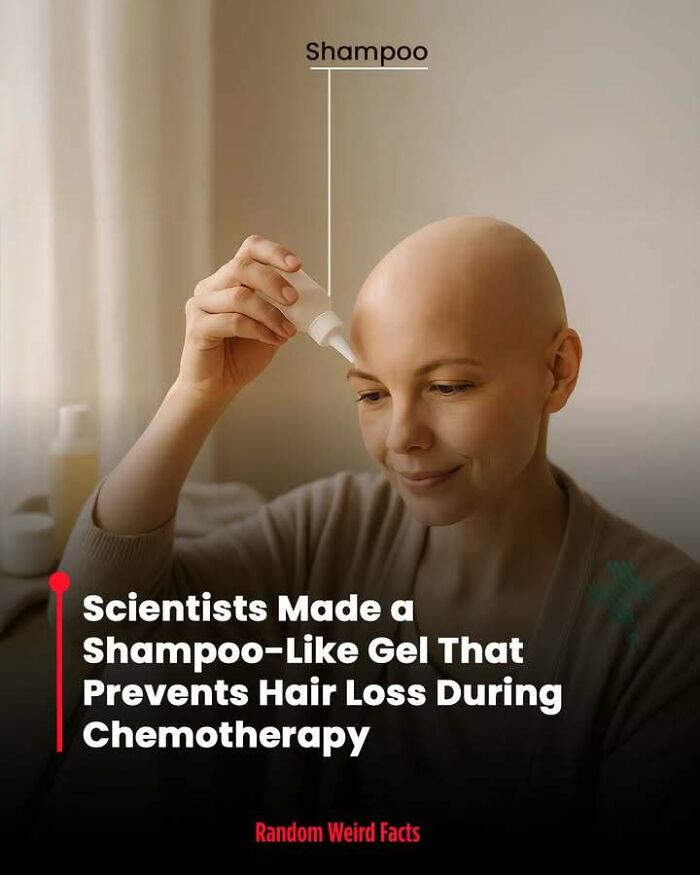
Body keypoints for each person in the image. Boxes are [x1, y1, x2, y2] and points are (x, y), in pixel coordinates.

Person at [48, 217, 700, 841]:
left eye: (448, 386)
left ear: (557, 371)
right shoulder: (331, 531)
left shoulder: (664, 624)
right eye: (371, 394)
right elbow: (97, 626)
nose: (401, 437)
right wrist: (195, 395)